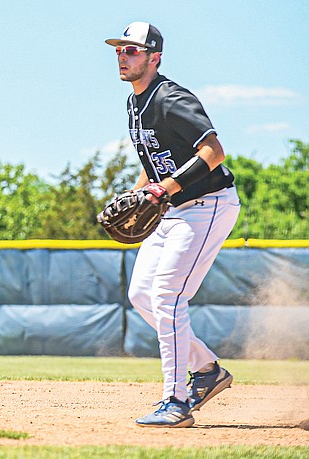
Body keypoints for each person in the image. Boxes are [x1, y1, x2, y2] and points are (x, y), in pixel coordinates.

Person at [105, 23, 240, 427]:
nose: (123, 56)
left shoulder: (171, 97)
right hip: (173, 209)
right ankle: (208, 370)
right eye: (119, 50)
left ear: (154, 56)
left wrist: (166, 188)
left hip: (207, 204)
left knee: (166, 297)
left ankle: (176, 401)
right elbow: (154, 165)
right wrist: (136, 197)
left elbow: (213, 151)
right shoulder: (134, 104)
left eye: (132, 50)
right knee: (142, 295)